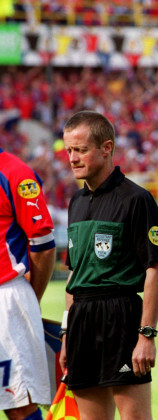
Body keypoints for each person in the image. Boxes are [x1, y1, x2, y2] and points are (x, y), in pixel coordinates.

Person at [60, 110, 158, 420]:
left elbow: (155, 269)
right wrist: (67, 335)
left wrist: (146, 335)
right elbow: (72, 276)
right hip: (81, 319)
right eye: (69, 150)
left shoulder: (135, 199)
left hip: (120, 316)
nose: (72, 158)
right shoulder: (76, 203)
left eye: (81, 149)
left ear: (107, 148)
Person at [0, 148, 56, 420]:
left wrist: (31, 299)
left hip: (5, 297)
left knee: (18, 402)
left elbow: (43, 245)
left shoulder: (14, 172)